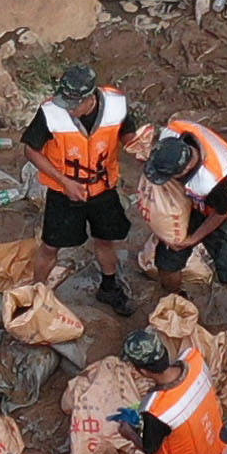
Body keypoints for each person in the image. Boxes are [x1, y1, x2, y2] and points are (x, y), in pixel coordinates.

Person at [27, 61, 140, 315]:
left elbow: (129, 135)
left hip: (103, 189)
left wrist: (138, 145)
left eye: (74, 104)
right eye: (65, 102)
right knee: (50, 246)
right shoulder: (50, 112)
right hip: (64, 192)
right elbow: (31, 150)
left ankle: (109, 288)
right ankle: (36, 293)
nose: (68, 109)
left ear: (90, 98)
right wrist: (65, 182)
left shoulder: (115, 105)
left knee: (105, 240)